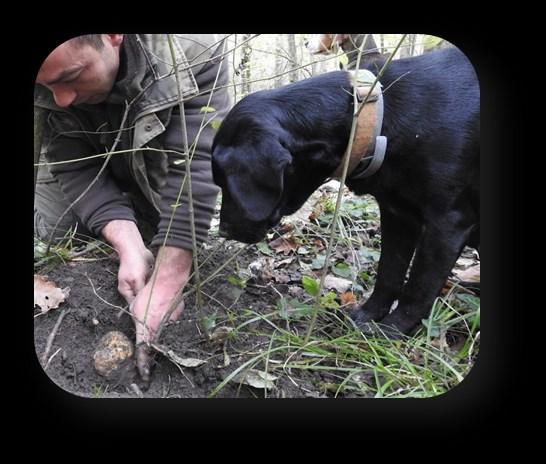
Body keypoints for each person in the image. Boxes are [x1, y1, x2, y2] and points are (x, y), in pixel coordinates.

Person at [34, 34, 231, 382]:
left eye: (70, 77)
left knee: (166, 232)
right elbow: (74, 165)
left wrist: (169, 278)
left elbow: (198, 163)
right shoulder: (54, 93)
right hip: (87, 148)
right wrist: (128, 245)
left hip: (157, 152)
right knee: (60, 230)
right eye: (48, 87)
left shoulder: (193, 50)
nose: (61, 100)